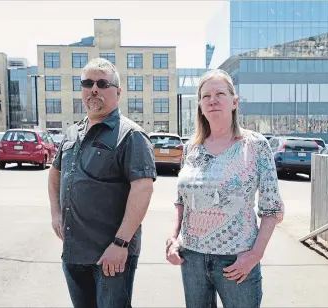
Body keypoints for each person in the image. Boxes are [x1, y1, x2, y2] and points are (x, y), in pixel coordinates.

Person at [165, 69, 284, 308]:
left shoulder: (255, 146)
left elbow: (271, 208)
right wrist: (174, 237)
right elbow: (182, 201)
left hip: (236, 259)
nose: (213, 99)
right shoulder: (192, 148)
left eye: (220, 93)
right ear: (200, 104)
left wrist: (255, 255)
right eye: (206, 95)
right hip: (192, 258)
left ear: (234, 102)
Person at [48, 58, 156, 308]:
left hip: (111, 255)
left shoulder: (131, 135)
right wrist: (55, 213)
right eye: (87, 83)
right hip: (74, 252)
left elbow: (143, 188)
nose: (93, 88)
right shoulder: (72, 132)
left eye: (102, 83)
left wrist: (121, 244)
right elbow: (55, 173)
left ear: (117, 92)